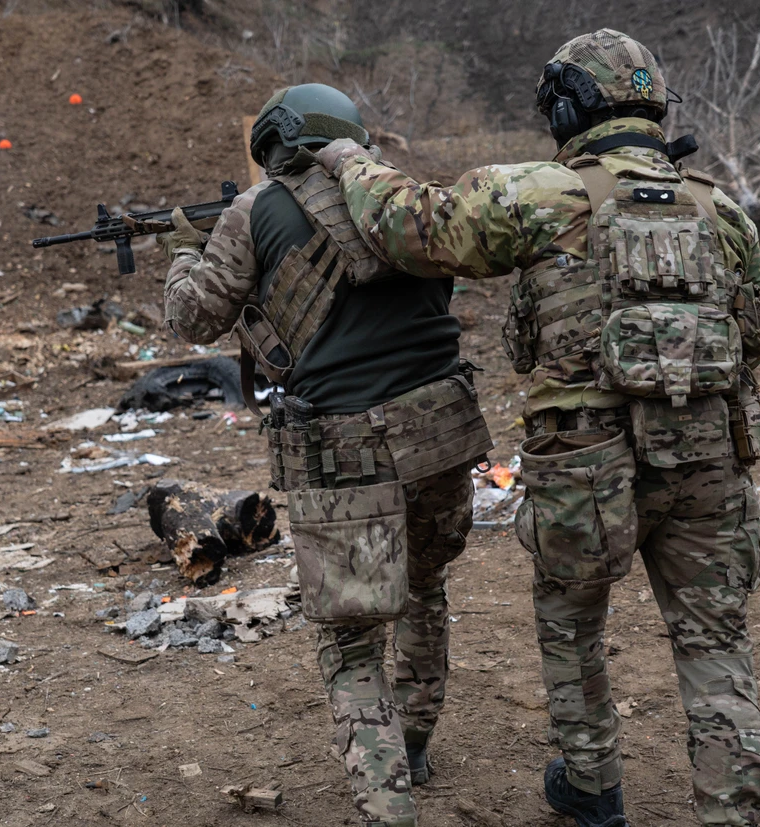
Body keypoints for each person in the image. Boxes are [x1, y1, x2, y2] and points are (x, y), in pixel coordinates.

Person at [314, 30, 760, 827]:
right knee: (714, 646)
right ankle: (737, 810)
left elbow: (408, 225)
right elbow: (757, 334)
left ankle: (594, 785)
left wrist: (343, 158)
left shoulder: (543, 193)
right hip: (707, 460)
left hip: (584, 465)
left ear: (567, 108)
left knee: (572, 621)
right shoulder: (722, 208)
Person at [159, 83, 494, 827]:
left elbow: (192, 315)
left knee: (349, 644)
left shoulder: (253, 211)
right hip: (444, 433)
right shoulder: (405, 200)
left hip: (342, 450)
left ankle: (386, 805)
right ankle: (412, 744)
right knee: (426, 587)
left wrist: (183, 248)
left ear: (277, 140)